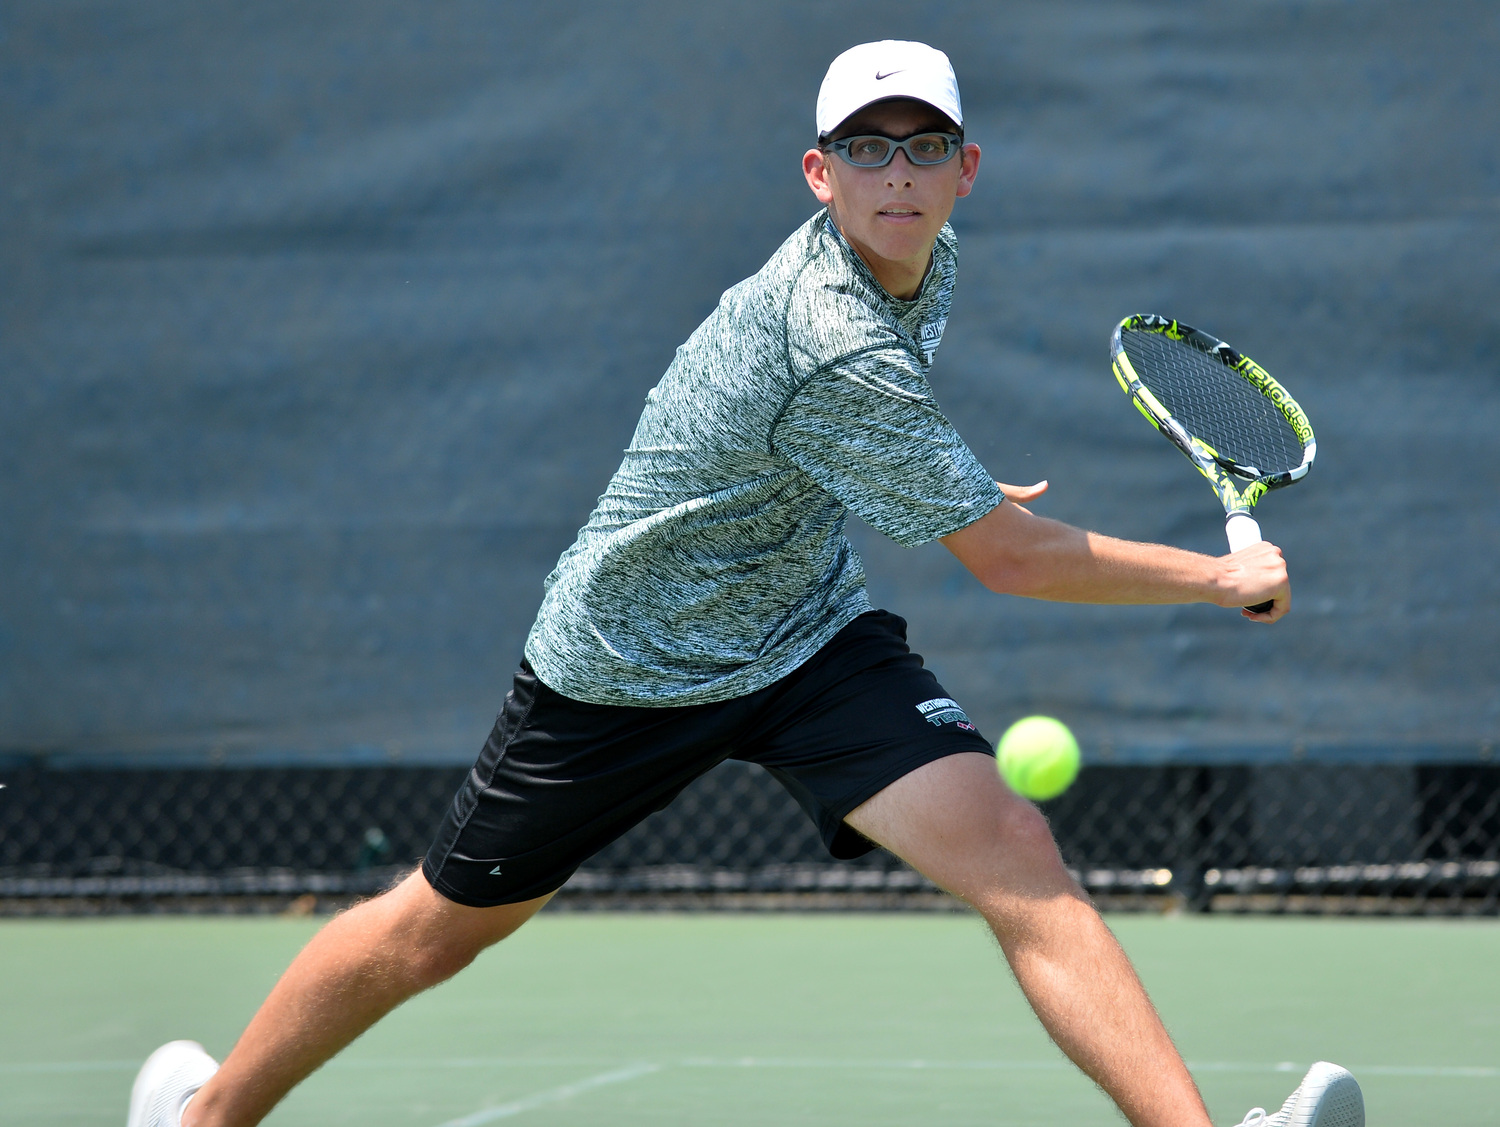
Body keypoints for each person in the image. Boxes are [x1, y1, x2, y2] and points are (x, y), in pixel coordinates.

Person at [129, 40, 1363, 1127]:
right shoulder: (827, 329)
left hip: (806, 629)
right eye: (863, 151)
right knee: (434, 931)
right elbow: (1010, 561)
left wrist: (949, 476)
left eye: (922, 147)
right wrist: (1217, 576)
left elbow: (887, 443)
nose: (896, 174)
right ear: (817, 173)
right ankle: (205, 1115)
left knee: (1013, 848)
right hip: (626, 660)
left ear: (964, 172)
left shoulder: (924, 259)